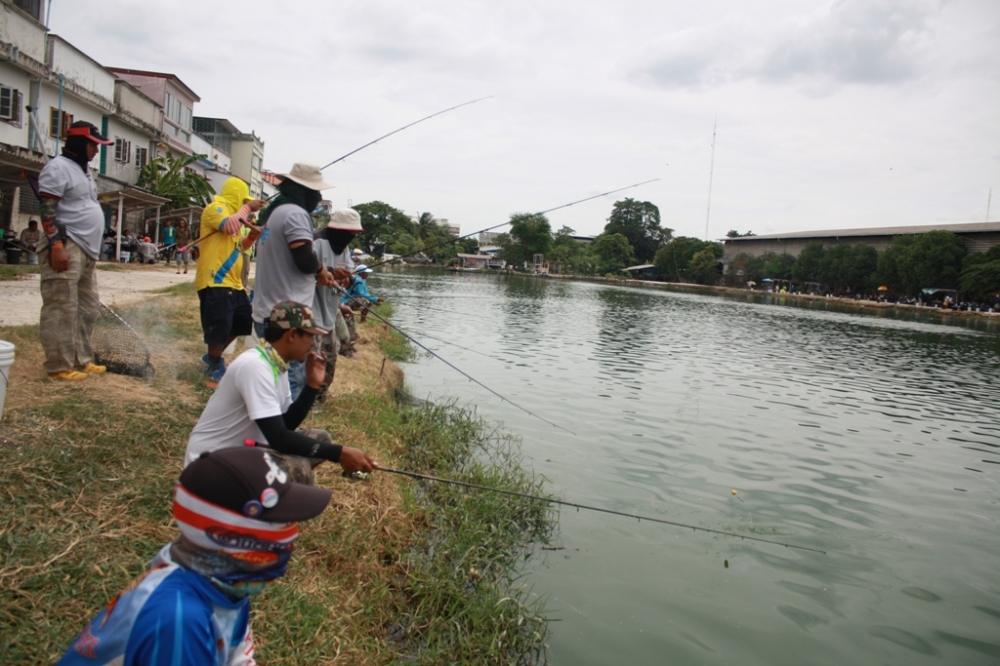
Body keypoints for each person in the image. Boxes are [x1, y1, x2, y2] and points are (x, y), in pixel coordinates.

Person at [58, 446, 334, 665]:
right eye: (283, 522)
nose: (293, 534)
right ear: (233, 535)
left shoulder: (222, 580)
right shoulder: (178, 621)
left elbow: (237, 654)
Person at [185, 300, 375, 482]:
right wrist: (339, 453)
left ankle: (271, 495)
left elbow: (287, 425)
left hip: (243, 451)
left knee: (320, 438)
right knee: (298, 467)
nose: (313, 344)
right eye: (310, 336)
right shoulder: (255, 366)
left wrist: (312, 386)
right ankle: (268, 507)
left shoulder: (277, 365)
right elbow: (278, 439)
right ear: (292, 335)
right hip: (211, 462)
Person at [37, 121, 113, 381]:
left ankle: (82, 358)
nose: (96, 150)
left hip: (87, 250)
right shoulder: (58, 168)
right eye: (94, 145)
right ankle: (59, 365)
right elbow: (47, 209)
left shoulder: (85, 171)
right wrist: (56, 245)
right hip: (66, 244)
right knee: (61, 307)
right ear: (81, 143)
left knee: (87, 308)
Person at [251, 164, 336, 400]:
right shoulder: (296, 214)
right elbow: (303, 259)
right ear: (305, 192)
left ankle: (273, 428)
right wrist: (320, 270)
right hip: (288, 316)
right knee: (291, 383)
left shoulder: (276, 213)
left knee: (274, 379)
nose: (318, 198)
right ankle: (283, 432)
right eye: (316, 193)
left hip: (267, 310)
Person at [195, 177, 265, 387]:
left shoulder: (237, 217)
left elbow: (238, 248)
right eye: (244, 199)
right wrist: (246, 207)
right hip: (215, 280)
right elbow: (228, 226)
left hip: (233, 282)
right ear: (236, 195)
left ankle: (212, 359)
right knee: (219, 325)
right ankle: (213, 368)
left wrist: (251, 237)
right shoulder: (215, 209)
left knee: (242, 322)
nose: (247, 204)